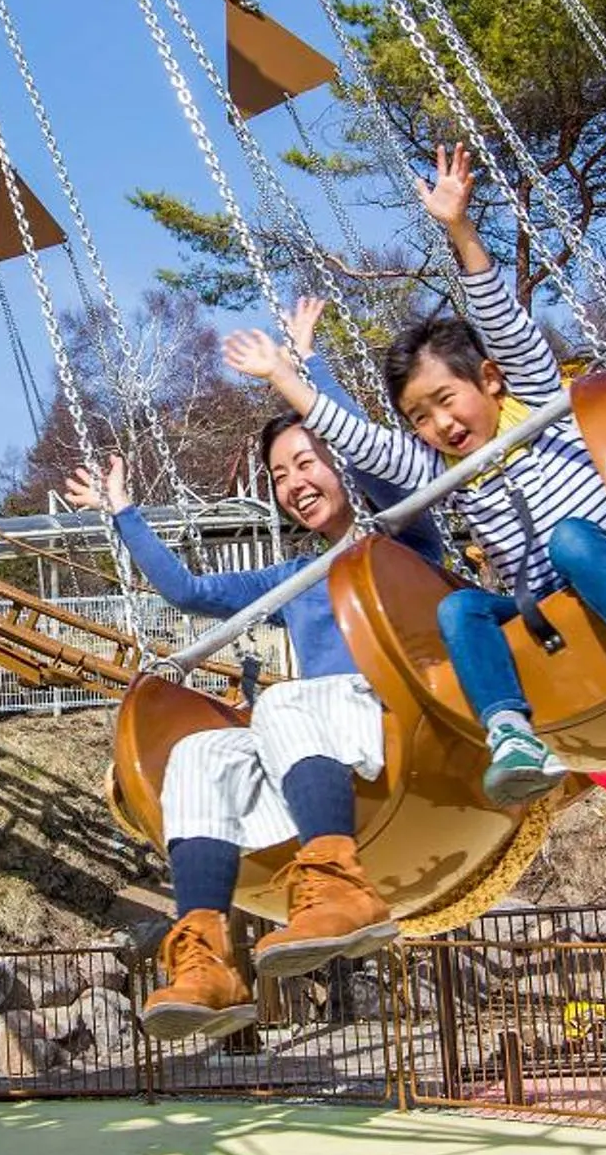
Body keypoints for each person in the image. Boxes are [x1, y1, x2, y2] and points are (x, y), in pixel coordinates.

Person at [226, 145, 606, 812]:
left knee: (570, 537)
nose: (438, 425)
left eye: (444, 402)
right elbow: (358, 440)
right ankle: (512, 731)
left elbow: (505, 325)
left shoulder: (533, 398)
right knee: (462, 608)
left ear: (487, 381)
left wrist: (461, 230)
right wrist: (287, 377)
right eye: (418, 417)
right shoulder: (441, 469)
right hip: (543, 604)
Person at [67, 305, 453, 1042]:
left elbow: (366, 448)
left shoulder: (402, 531)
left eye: (307, 463)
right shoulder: (294, 577)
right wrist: (123, 511)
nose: (295, 484)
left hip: (407, 713)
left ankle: (340, 881)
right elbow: (190, 594)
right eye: (280, 476)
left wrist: (308, 370)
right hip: (326, 731)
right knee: (200, 753)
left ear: (338, 462)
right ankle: (209, 955)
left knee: (283, 704)